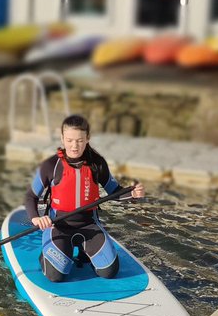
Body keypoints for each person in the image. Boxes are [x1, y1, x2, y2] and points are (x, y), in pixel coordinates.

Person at [24, 114, 145, 282]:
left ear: (88, 138)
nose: (74, 146)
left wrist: (132, 193)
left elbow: (115, 192)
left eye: (80, 140)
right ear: (62, 138)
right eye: (70, 140)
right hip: (59, 225)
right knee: (56, 276)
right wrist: (36, 218)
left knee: (109, 272)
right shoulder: (51, 165)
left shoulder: (97, 163)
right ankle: (47, 254)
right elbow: (30, 197)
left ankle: (84, 251)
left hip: (90, 225)